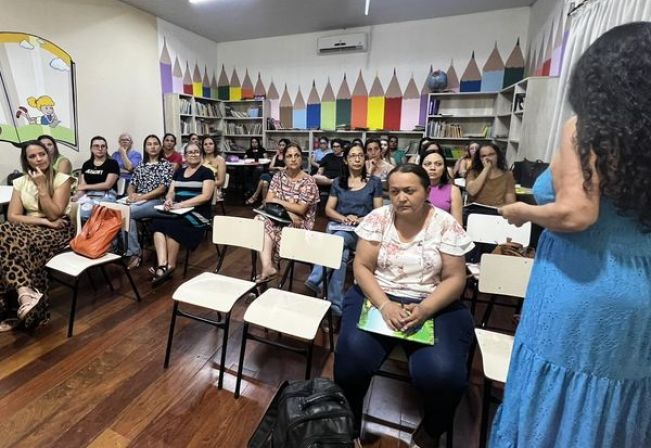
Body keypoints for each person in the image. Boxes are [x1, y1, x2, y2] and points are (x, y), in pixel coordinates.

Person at [493, 23, 651, 448]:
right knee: (614, 404)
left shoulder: (586, 127)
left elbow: (576, 214)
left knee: (558, 395)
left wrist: (521, 210)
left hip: (584, 286)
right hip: (641, 289)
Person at [334, 164, 475, 447]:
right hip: (378, 295)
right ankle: (348, 428)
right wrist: (385, 306)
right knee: (351, 362)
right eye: (395, 191)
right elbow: (361, 267)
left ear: (426, 192)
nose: (401, 198)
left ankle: (430, 432)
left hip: (434, 302)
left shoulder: (444, 223)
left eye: (409, 191)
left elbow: (455, 279)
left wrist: (423, 309)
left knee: (444, 375)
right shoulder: (378, 219)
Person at [0, 141, 75, 332]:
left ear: (49, 155)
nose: (38, 159)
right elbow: (12, 216)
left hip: (58, 230)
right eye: (32, 156)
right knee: (5, 235)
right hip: (35, 226)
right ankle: (25, 295)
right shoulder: (21, 182)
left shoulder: (62, 179)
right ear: (26, 160)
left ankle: (14, 308)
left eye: (41, 154)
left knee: (7, 240)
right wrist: (43, 222)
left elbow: (54, 215)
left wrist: (42, 186)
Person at [305, 143, 383, 318]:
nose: (357, 159)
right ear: (346, 160)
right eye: (352, 156)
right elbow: (329, 210)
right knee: (340, 254)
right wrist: (344, 219)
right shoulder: (339, 182)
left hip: (362, 230)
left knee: (337, 241)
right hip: (339, 226)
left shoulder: (374, 182)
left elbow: (378, 213)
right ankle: (335, 308)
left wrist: (359, 220)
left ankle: (316, 279)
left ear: (364, 159)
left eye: (360, 155)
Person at [149, 142, 214, 285]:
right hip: (178, 210)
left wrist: (181, 204)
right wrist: (169, 200)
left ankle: (171, 265)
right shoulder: (178, 172)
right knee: (157, 222)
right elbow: (171, 191)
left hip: (198, 213)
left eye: (196, 152)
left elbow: (206, 196)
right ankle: (162, 265)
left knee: (173, 224)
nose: (193, 154)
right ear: (184, 156)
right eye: (190, 152)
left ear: (201, 155)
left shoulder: (206, 172)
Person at [255, 143, 319, 284]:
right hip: (281, 218)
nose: (293, 159)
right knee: (259, 219)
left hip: (300, 223)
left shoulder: (309, 181)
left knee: (276, 232)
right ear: (284, 159)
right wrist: (289, 212)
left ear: (302, 159)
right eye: (289, 156)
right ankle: (268, 267)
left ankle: (271, 270)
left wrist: (279, 202)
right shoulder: (278, 177)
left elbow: (301, 210)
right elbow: (268, 201)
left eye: (297, 155)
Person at [123, 134, 175, 269]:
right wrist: (131, 195)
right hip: (139, 201)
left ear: (160, 147)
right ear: (145, 148)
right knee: (124, 214)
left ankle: (133, 254)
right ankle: (131, 251)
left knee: (126, 213)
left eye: (155, 144)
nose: (152, 147)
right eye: (149, 144)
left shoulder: (166, 165)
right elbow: (132, 184)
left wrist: (141, 197)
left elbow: (162, 189)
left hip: (157, 201)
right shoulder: (141, 165)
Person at [74, 136, 120, 219]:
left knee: (84, 213)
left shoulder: (112, 163)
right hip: (88, 195)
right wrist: (75, 197)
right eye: (96, 146)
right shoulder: (86, 164)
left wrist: (86, 187)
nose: (100, 149)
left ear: (106, 148)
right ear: (91, 149)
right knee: (71, 210)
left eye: (103, 146)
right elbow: (82, 187)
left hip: (107, 195)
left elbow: (107, 185)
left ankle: (89, 232)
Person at [421, 147, 463, 224]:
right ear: (421, 167)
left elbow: (457, 225)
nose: (432, 168)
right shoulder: (414, 188)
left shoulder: (453, 190)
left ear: (444, 168)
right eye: (427, 164)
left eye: (438, 164)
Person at [246, 138, 288, 205]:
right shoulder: (276, 156)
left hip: (280, 176)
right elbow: (270, 167)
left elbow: (285, 169)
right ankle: (265, 203)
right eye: (280, 145)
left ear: (287, 146)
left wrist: (276, 169)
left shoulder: (288, 156)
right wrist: (277, 167)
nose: (281, 147)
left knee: (263, 176)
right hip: (272, 174)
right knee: (265, 182)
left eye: (283, 145)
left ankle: (255, 196)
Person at [201, 136, 227, 203]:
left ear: (215, 146)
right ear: (202, 147)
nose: (208, 146)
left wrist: (205, 184)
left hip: (213, 187)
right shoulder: (199, 159)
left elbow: (221, 181)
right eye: (205, 144)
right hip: (198, 184)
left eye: (210, 144)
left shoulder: (220, 160)